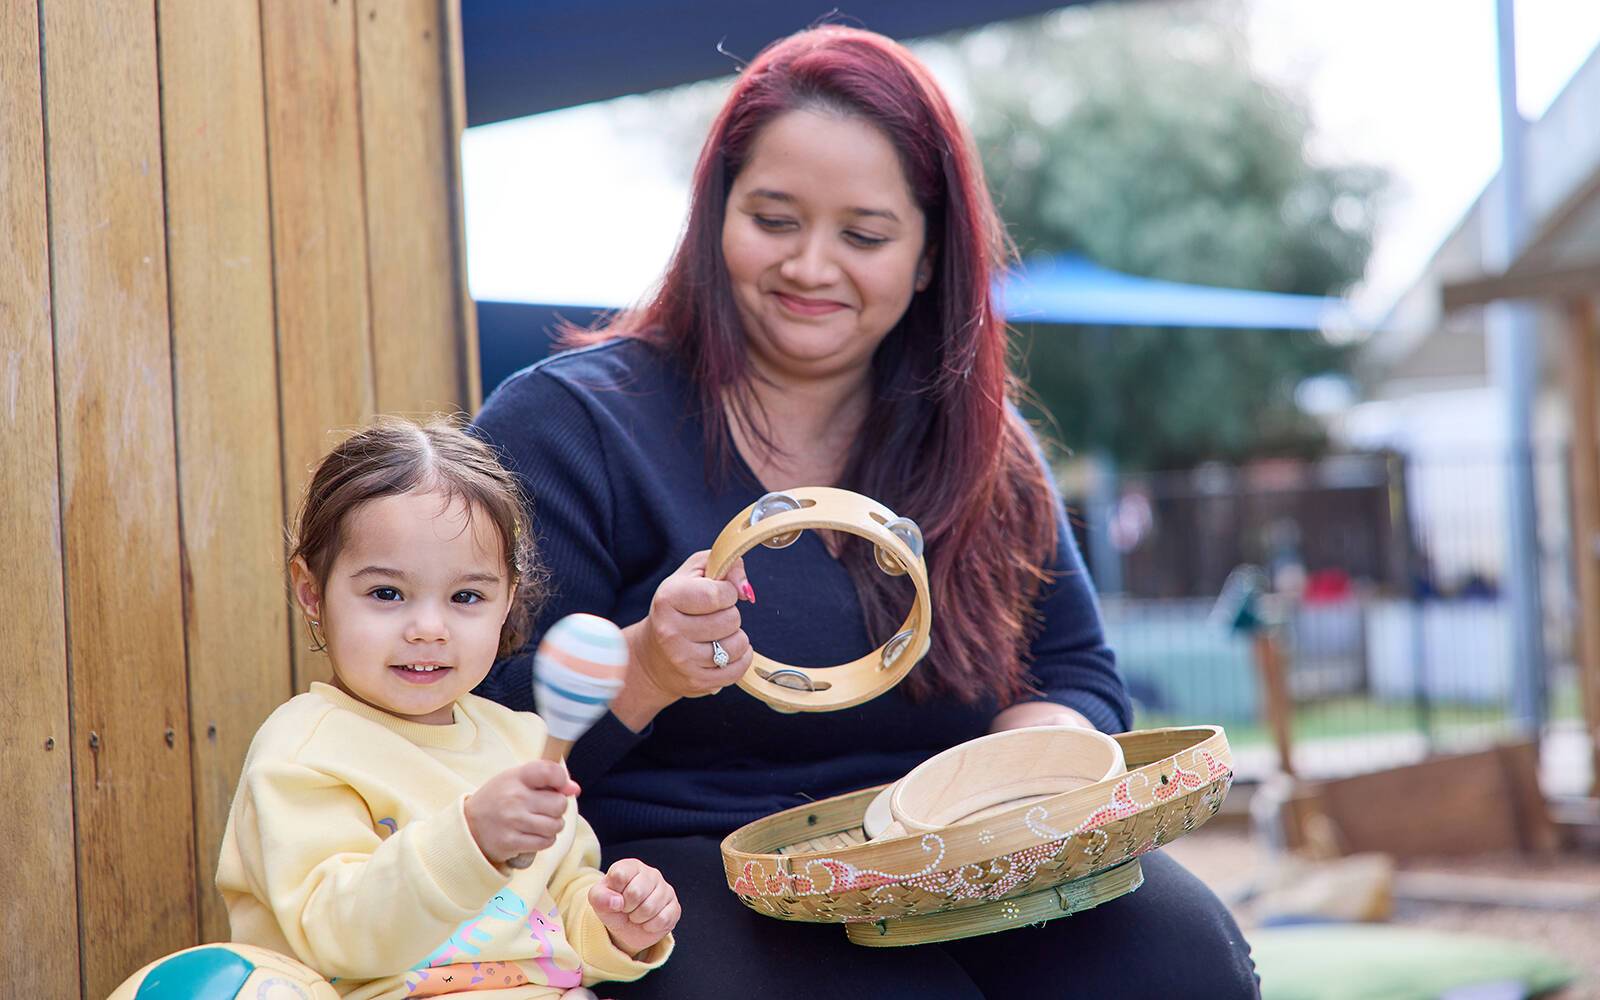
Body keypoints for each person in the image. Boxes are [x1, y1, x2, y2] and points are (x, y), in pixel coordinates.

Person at [472, 25, 1258, 999]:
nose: (811, 266)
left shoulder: (986, 442)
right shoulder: (569, 425)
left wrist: (1011, 784)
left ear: (929, 256)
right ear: (715, 217)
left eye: (865, 236)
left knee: (1179, 956)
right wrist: (646, 667)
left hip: (955, 854)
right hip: (679, 867)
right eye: (773, 219)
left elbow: (1076, 669)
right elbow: (467, 724)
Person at [215, 418, 678, 999]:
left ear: (507, 600)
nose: (429, 628)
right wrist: (471, 839)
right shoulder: (302, 750)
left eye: (466, 596)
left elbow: (555, 907)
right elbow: (335, 932)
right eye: (387, 593)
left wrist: (614, 922)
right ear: (312, 591)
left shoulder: (523, 742)